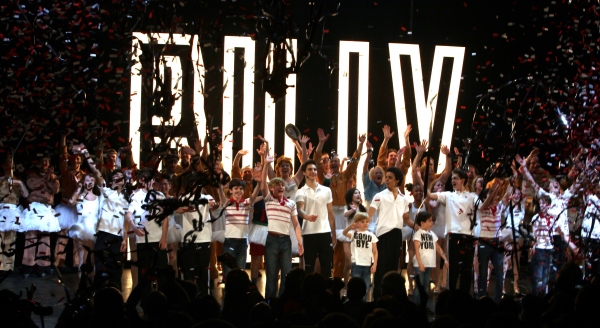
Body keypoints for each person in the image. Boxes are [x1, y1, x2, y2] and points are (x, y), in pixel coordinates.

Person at [425, 168, 495, 292]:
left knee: (467, 268)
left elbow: (482, 207)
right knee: (453, 267)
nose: (452, 180)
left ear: (462, 180)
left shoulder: (472, 196)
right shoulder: (447, 195)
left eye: (455, 178)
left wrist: (490, 196)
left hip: (468, 235)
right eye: (452, 178)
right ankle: (452, 294)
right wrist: (423, 180)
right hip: (453, 235)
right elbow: (430, 195)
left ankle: (464, 296)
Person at [314, 128, 365, 280]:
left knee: (341, 249)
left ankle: (337, 279)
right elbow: (316, 159)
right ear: (328, 164)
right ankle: (322, 278)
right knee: (326, 247)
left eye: (337, 161)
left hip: (342, 214)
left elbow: (354, 163)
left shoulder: (345, 176)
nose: (334, 163)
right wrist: (321, 143)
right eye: (332, 161)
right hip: (328, 215)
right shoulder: (323, 178)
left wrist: (360, 145)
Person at [261, 156, 304, 299]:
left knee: (287, 275)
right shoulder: (269, 200)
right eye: (277, 185)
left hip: (286, 240)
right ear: (272, 188)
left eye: (282, 186)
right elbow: (263, 186)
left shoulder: (291, 203)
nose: (280, 187)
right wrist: (265, 162)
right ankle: (270, 303)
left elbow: (296, 224)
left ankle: (284, 302)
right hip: (272, 240)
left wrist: (299, 242)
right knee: (272, 275)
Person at [368, 167, 413, 299]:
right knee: (381, 265)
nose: (386, 179)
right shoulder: (379, 196)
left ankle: (391, 294)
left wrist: (417, 226)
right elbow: (369, 215)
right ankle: (378, 294)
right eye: (386, 177)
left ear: (397, 180)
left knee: (393, 265)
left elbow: (406, 219)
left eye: (389, 177)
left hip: (396, 234)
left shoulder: (404, 199)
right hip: (382, 235)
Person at [20, 156, 60, 277]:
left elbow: (56, 189)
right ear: (38, 164)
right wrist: (43, 177)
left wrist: (49, 178)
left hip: (46, 208)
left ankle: (43, 265)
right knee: (31, 236)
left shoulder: (53, 177)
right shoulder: (32, 175)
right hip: (34, 207)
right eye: (43, 161)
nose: (45, 163)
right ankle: (28, 264)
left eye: (47, 162)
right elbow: (31, 185)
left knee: (45, 237)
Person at [295, 159, 336, 277]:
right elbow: (300, 209)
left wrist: (333, 233)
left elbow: (330, 213)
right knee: (309, 268)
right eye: (309, 169)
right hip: (309, 233)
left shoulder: (326, 190)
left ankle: (328, 293)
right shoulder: (300, 191)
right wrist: (307, 216)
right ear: (304, 173)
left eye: (314, 169)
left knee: (327, 267)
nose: (313, 171)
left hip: (325, 232)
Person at [215, 177, 261, 280]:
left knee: (241, 272)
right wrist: (219, 186)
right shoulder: (227, 203)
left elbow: (253, 196)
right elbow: (221, 195)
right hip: (229, 241)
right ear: (231, 190)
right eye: (235, 188)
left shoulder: (246, 203)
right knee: (228, 273)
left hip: (243, 242)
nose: (238, 191)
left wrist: (258, 184)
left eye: (241, 188)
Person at [177, 188, 218, 297]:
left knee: (203, 270)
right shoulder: (184, 198)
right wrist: (187, 209)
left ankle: (204, 297)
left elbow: (214, 205)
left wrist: (212, 205)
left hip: (204, 238)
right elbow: (177, 209)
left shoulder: (207, 197)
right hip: (188, 239)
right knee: (188, 270)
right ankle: (188, 298)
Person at [54, 131, 85, 270]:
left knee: (78, 237)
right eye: (74, 160)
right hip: (66, 207)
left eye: (79, 161)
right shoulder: (66, 172)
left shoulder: (85, 176)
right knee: (63, 236)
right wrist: (63, 138)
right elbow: (62, 157)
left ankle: (78, 264)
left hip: (78, 208)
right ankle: (58, 263)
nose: (76, 163)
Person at [412, 211, 448, 305]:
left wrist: (444, 258)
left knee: (426, 286)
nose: (431, 223)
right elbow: (417, 250)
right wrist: (420, 263)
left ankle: (424, 305)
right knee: (419, 286)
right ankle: (416, 305)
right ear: (422, 223)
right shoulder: (418, 234)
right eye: (429, 221)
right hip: (420, 264)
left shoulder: (432, 234)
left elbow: (438, 247)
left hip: (429, 263)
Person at [68, 174, 101, 275]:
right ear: (83, 182)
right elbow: (70, 202)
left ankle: (93, 282)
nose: (90, 182)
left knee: (93, 258)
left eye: (92, 180)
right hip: (82, 229)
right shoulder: (80, 196)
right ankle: (81, 282)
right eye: (87, 180)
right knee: (82, 256)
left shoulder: (99, 198)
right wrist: (78, 188)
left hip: (94, 229)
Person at [0, 154, 28, 273]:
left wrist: (21, 184)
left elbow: (26, 195)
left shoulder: (17, 180)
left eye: (11, 163)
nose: (10, 165)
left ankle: (7, 267)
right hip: (1, 210)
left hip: (13, 211)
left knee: (10, 240)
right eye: (7, 163)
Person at [342, 212, 378, 301]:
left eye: (367, 221)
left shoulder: (371, 235)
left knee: (366, 286)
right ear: (357, 223)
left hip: (367, 264)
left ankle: (363, 303)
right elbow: (344, 233)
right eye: (362, 221)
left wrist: (375, 264)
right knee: (356, 285)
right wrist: (350, 227)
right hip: (356, 263)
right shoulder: (354, 234)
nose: (365, 223)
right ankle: (355, 302)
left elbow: (375, 251)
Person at [529, 195, 554, 295]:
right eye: (540, 203)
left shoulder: (553, 219)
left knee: (546, 276)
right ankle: (536, 297)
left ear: (548, 205)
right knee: (538, 275)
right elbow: (533, 234)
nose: (542, 205)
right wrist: (532, 246)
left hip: (549, 249)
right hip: (539, 248)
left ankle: (544, 296)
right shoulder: (536, 217)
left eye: (544, 203)